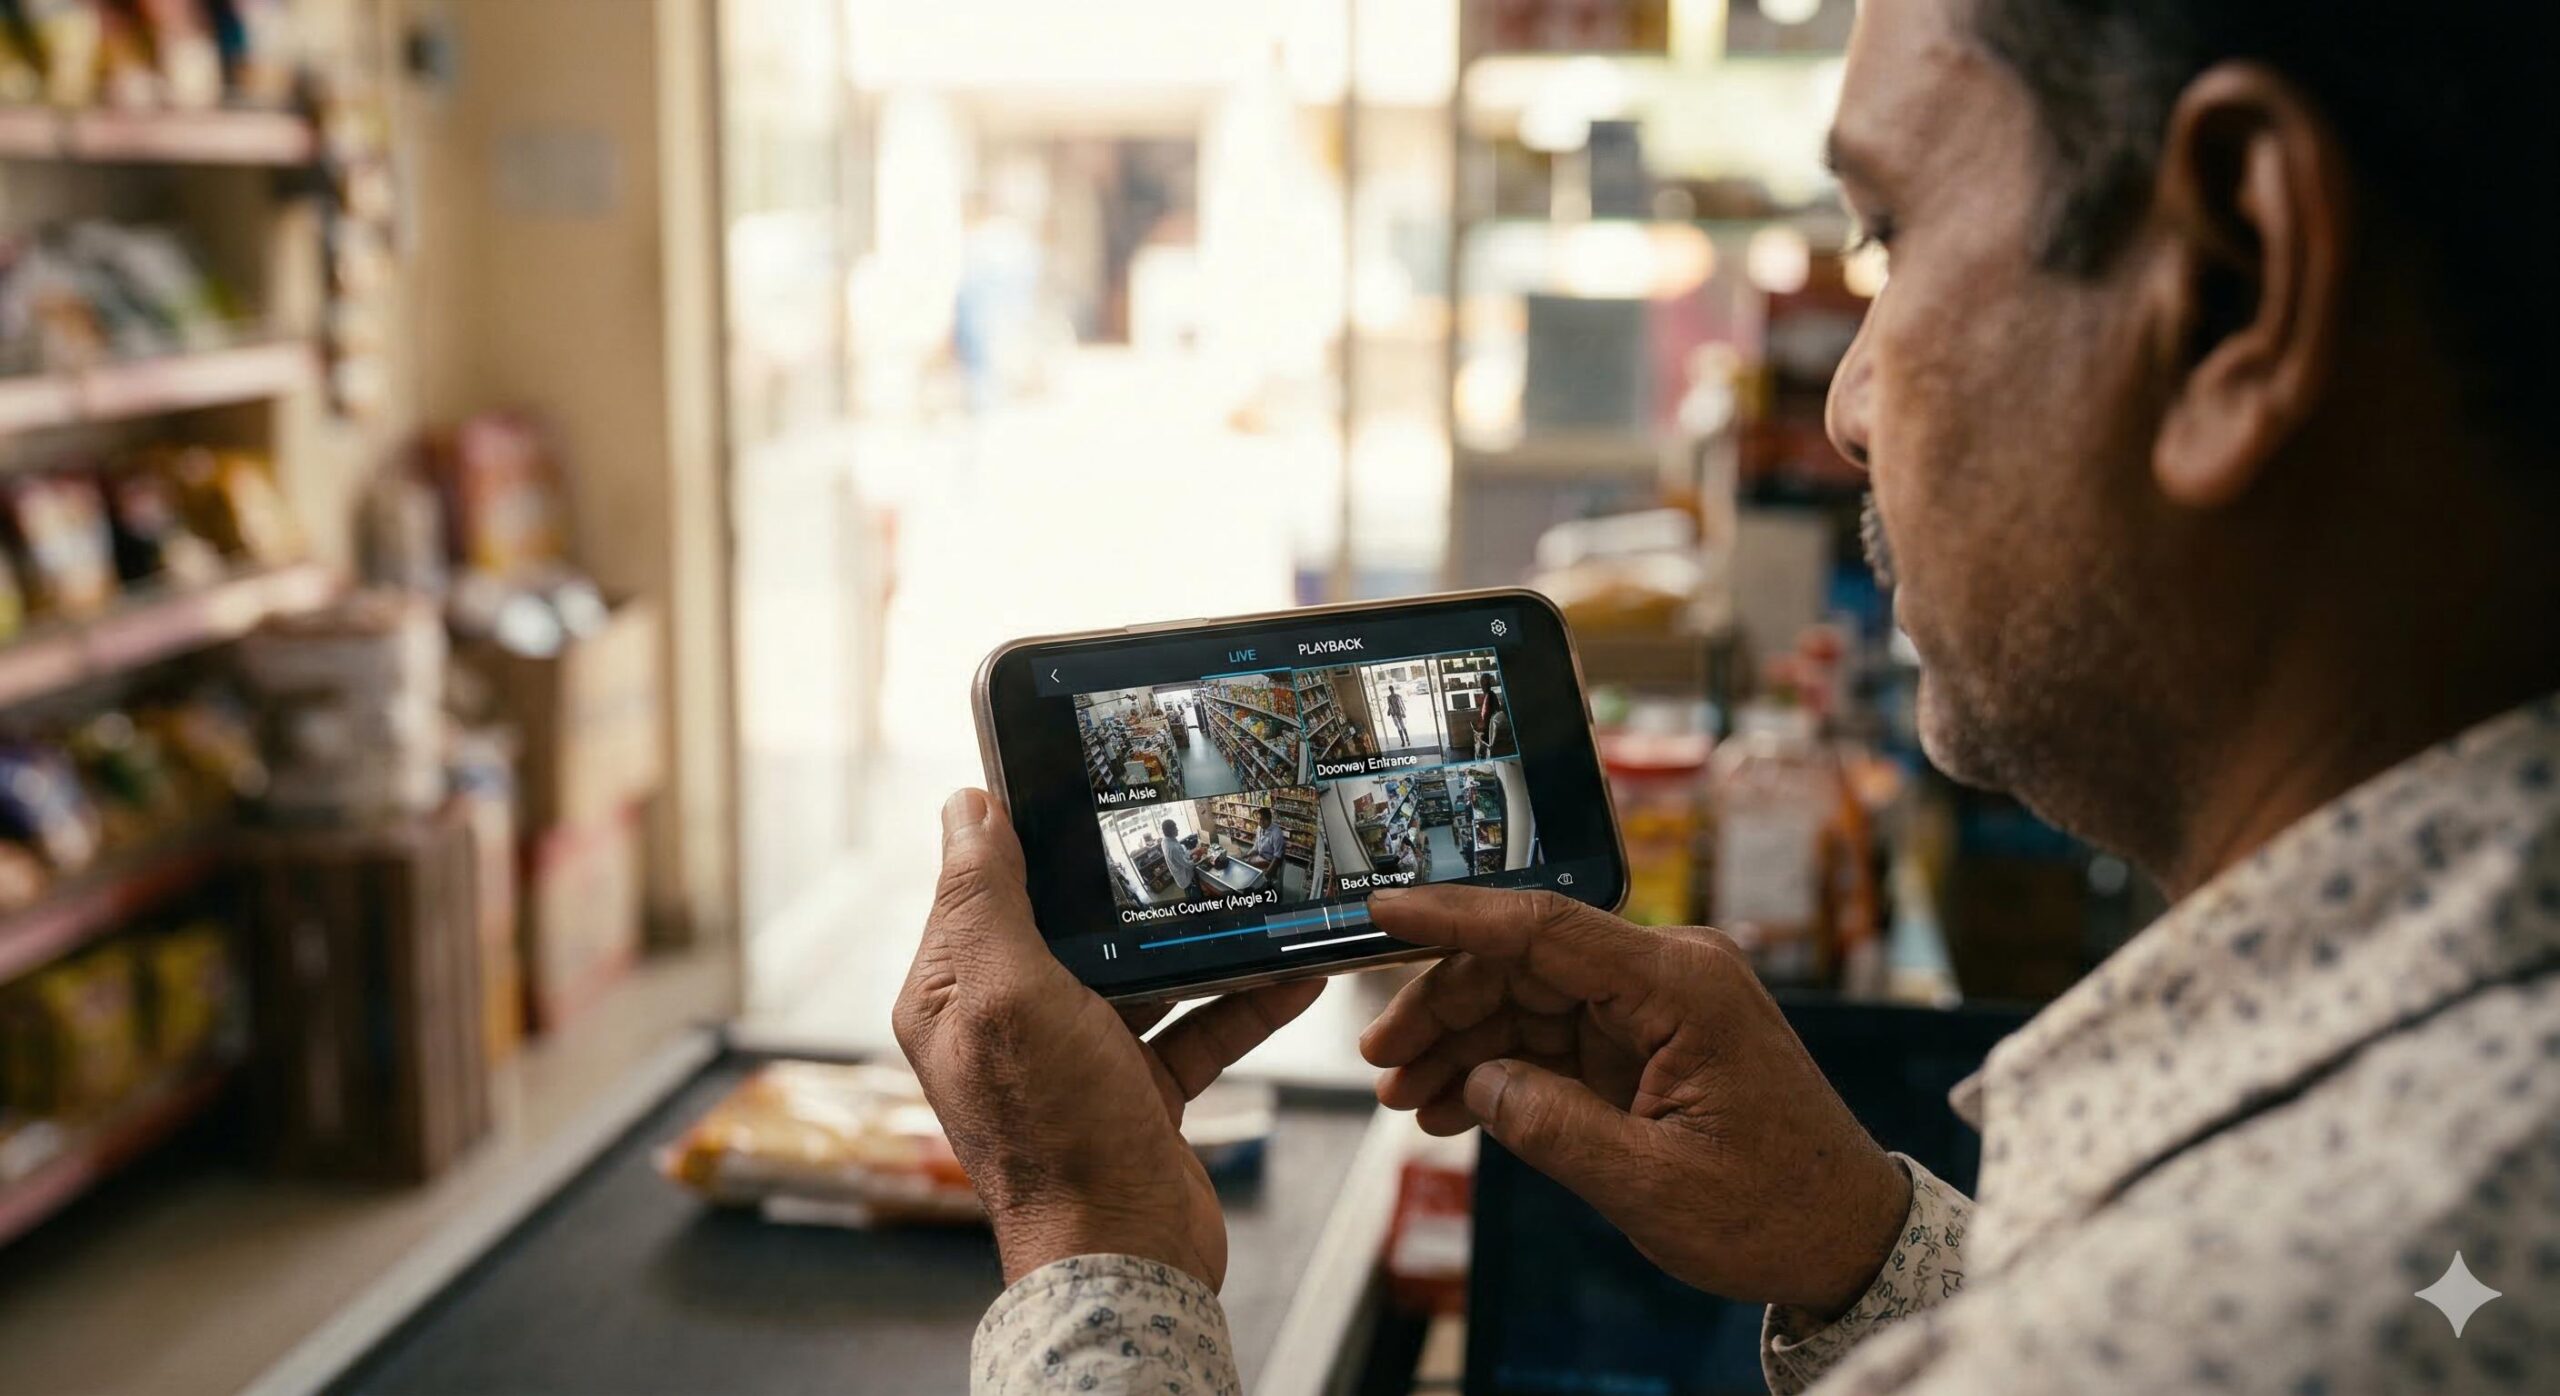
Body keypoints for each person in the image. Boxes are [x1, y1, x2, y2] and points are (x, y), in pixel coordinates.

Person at [894, 0, 2558, 1391]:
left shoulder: (2276, 1298)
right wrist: (1869, 1249)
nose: (1839, 403)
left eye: (1892, 234)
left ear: (2234, 291)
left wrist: (1094, 1250)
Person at [1154, 817, 1195, 901]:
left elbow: (1180, 853)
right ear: (1170, 830)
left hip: (1178, 873)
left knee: (1189, 894)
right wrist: (1197, 859)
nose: (1177, 830)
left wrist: (1187, 853)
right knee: (1192, 894)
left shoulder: (1164, 841)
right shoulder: (1173, 848)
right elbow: (1188, 864)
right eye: (1175, 828)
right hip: (1184, 877)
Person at [1384, 683, 1409, 749]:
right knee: (1402, 727)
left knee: (1400, 727)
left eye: (1391, 689)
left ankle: (1404, 741)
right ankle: (1406, 740)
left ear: (1390, 690)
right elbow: (1400, 705)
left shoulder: (1392, 697)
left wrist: (1389, 712)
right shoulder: (1397, 696)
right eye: (1391, 689)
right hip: (1397, 714)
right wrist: (1403, 712)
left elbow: (1399, 705)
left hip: (1396, 714)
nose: (1391, 690)